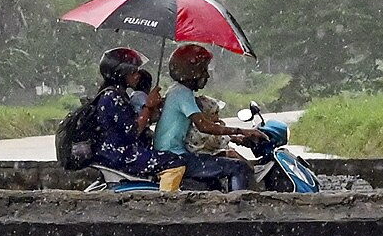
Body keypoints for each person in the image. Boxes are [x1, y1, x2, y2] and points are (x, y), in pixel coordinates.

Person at [153, 44, 265, 191]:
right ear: (192, 71)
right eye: (203, 70)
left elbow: (199, 131)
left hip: (172, 154)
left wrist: (236, 138)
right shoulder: (182, 94)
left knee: (216, 176)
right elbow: (204, 126)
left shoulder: (176, 91)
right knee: (238, 167)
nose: (206, 76)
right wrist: (242, 131)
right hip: (175, 157)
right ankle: (239, 207)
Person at [91, 47, 186, 190]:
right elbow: (133, 131)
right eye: (133, 72)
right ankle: (167, 201)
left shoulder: (117, 94)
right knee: (175, 162)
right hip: (121, 156)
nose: (137, 75)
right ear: (121, 73)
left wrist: (152, 107)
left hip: (116, 153)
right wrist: (148, 106)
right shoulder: (113, 97)